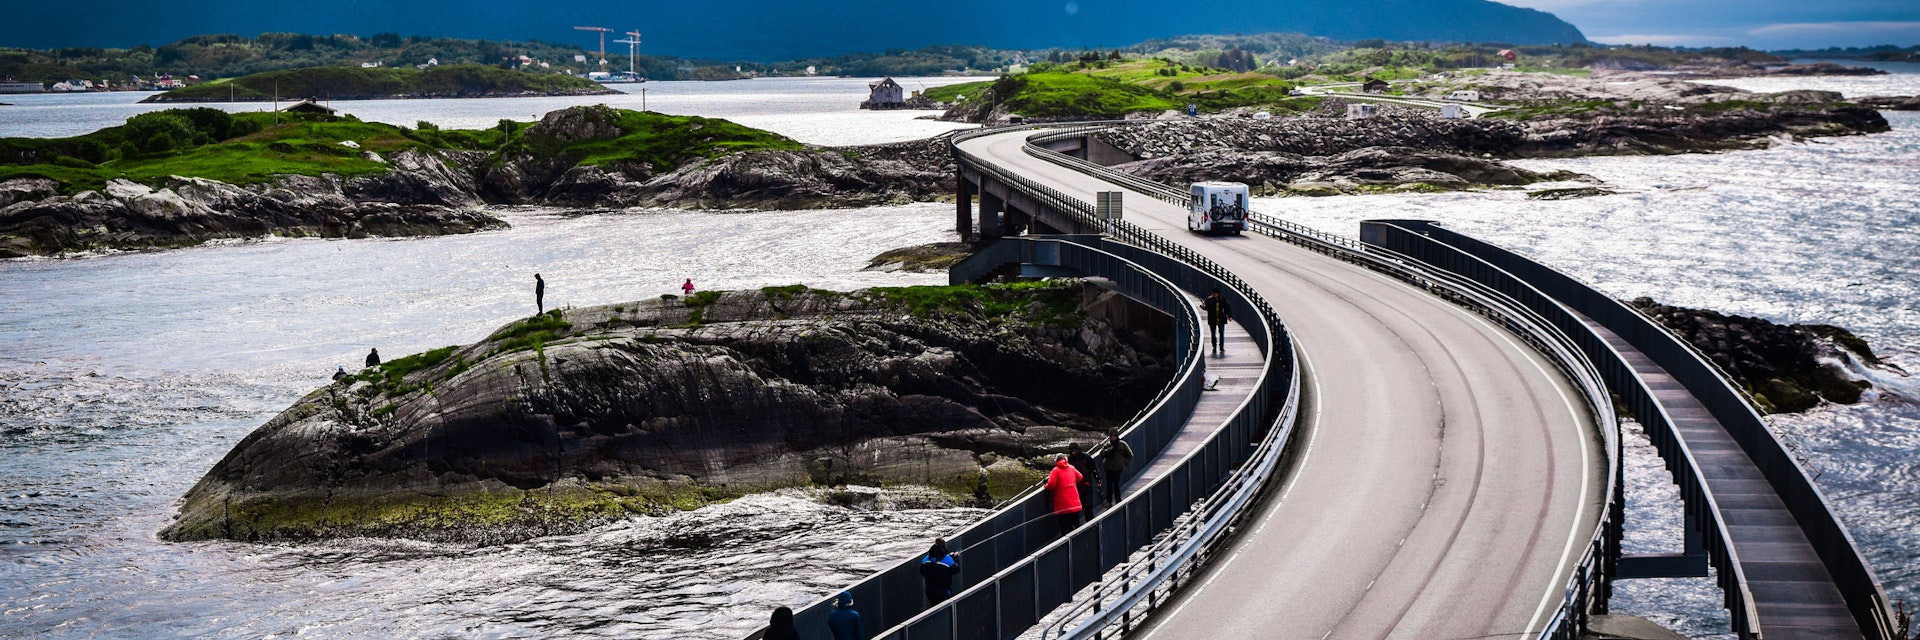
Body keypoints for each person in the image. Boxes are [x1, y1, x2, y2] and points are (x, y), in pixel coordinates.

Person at [1044, 453, 1084, 537]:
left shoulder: (1056, 470)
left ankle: (1066, 542)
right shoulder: (1071, 468)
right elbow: (1080, 476)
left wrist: (1045, 486)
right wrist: (1073, 483)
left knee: (1064, 527)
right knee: (1076, 526)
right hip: (1075, 503)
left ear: (1056, 461)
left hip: (1063, 504)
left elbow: (1051, 485)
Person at [919, 538, 959, 606]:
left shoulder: (926, 559)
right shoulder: (948, 559)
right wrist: (956, 558)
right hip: (944, 591)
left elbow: (922, 572)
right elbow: (956, 570)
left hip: (929, 591)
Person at [1099, 431, 1134, 506]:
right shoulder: (1108, 444)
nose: (1112, 438)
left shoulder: (1122, 444)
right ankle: (1109, 501)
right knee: (1109, 485)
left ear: (1117, 436)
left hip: (1117, 468)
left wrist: (1124, 463)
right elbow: (1101, 454)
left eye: (1114, 436)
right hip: (1108, 468)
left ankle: (1118, 501)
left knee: (1116, 484)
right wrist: (1109, 449)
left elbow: (1130, 455)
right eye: (1111, 436)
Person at [1068, 444, 1100, 513]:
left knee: (1088, 505)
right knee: (1079, 505)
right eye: (1072, 452)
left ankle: (1090, 518)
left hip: (1086, 483)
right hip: (1076, 486)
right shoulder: (1070, 459)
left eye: (1075, 451)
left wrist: (1098, 480)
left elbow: (1094, 469)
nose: (1073, 453)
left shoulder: (1085, 457)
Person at [1203, 289, 1231, 356]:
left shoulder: (1222, 299)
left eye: (1215, 293)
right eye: (1213, 293)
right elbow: (1205, 307)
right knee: (1213, 334)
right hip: (1212, 319)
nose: (1214, 294)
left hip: (1221, 319)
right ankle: (1214, 347)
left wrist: (1230, 316)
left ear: (1218, 294)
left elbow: (1227, 308)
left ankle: (1221, 347)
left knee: (1221, 333)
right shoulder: (1209, 300)